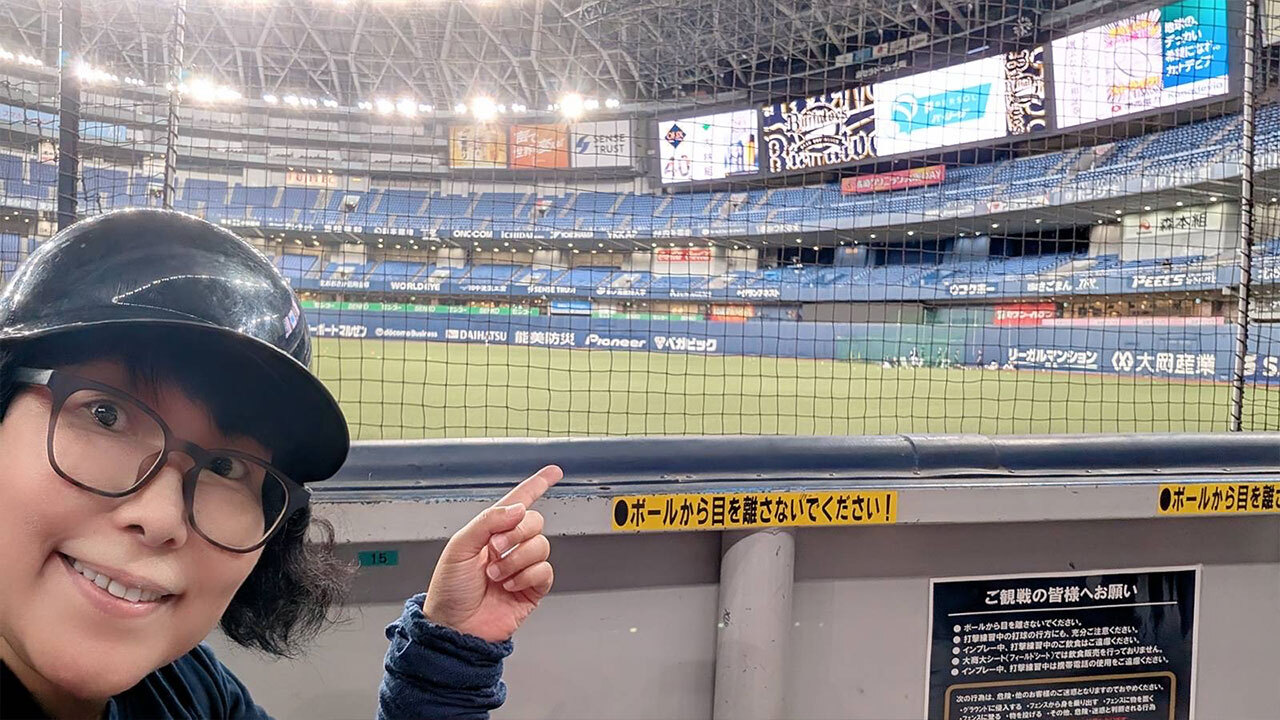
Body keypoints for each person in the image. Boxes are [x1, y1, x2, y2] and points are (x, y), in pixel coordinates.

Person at [0, 209, 557, 719]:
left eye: (225, 468)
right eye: (106, 415)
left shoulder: (188, 690)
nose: (162, 517)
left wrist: (445, 669)